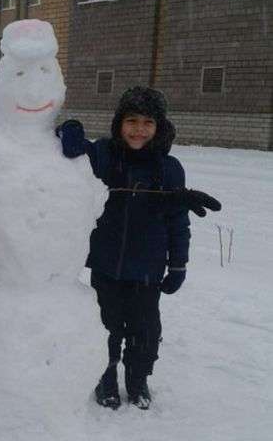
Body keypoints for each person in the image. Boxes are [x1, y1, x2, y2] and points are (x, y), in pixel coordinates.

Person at [56, 87, 221, 410]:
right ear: (119, 123)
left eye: (148, 122)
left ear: (159, 127)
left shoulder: (169, 168)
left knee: (145, 329)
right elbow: (72, 149)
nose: (139, 129)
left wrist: (178, 265)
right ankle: (105, 376)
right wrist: (69, 127)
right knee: (106, 326)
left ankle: (137, 377)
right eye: (131, 120)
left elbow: (178, 222)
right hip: (106, 264)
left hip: (148, 266)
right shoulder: (104, 155)